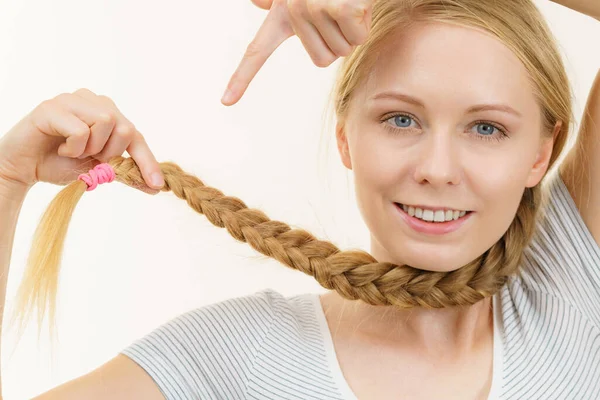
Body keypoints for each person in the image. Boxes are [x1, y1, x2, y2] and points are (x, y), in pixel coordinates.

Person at [0, 0, 598, 398]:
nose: (437, 171)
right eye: (400, 119)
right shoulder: (230, 357)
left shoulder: (569, 293)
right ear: (346, 137)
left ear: (541, 155)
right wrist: (7, 179)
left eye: (486, 128)